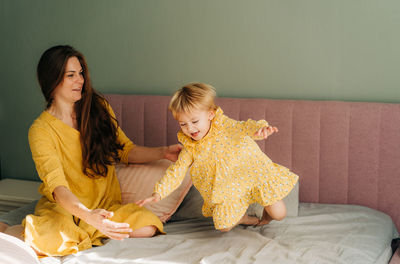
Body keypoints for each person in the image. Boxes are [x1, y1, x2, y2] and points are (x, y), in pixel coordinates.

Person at [12, 45, 182, 257]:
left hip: (106, 206)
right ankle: (8, 231)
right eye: (71, 75)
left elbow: (126, 150)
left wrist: (163, 152)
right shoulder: (41, 130)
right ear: (52, 79)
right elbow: (57, 187)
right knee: (46, 238)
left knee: (148, 227)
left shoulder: (98, 108)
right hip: (66, 209)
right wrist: (88, 215)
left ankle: (88, 230)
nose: (80, 80)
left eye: (81, 73)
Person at [136, 83, 299, 232]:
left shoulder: (224, 125)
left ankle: (265, 218)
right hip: (229, 187)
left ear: (210, 114)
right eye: (183, 124)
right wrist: (158, 193)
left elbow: (244, 127)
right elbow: (176, 172)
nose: (190, 128)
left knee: (279, 214)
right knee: (224, 227)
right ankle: (243, 217)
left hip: (253, 172)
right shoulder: (190, 148)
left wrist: (260, 129)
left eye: (194, 121)